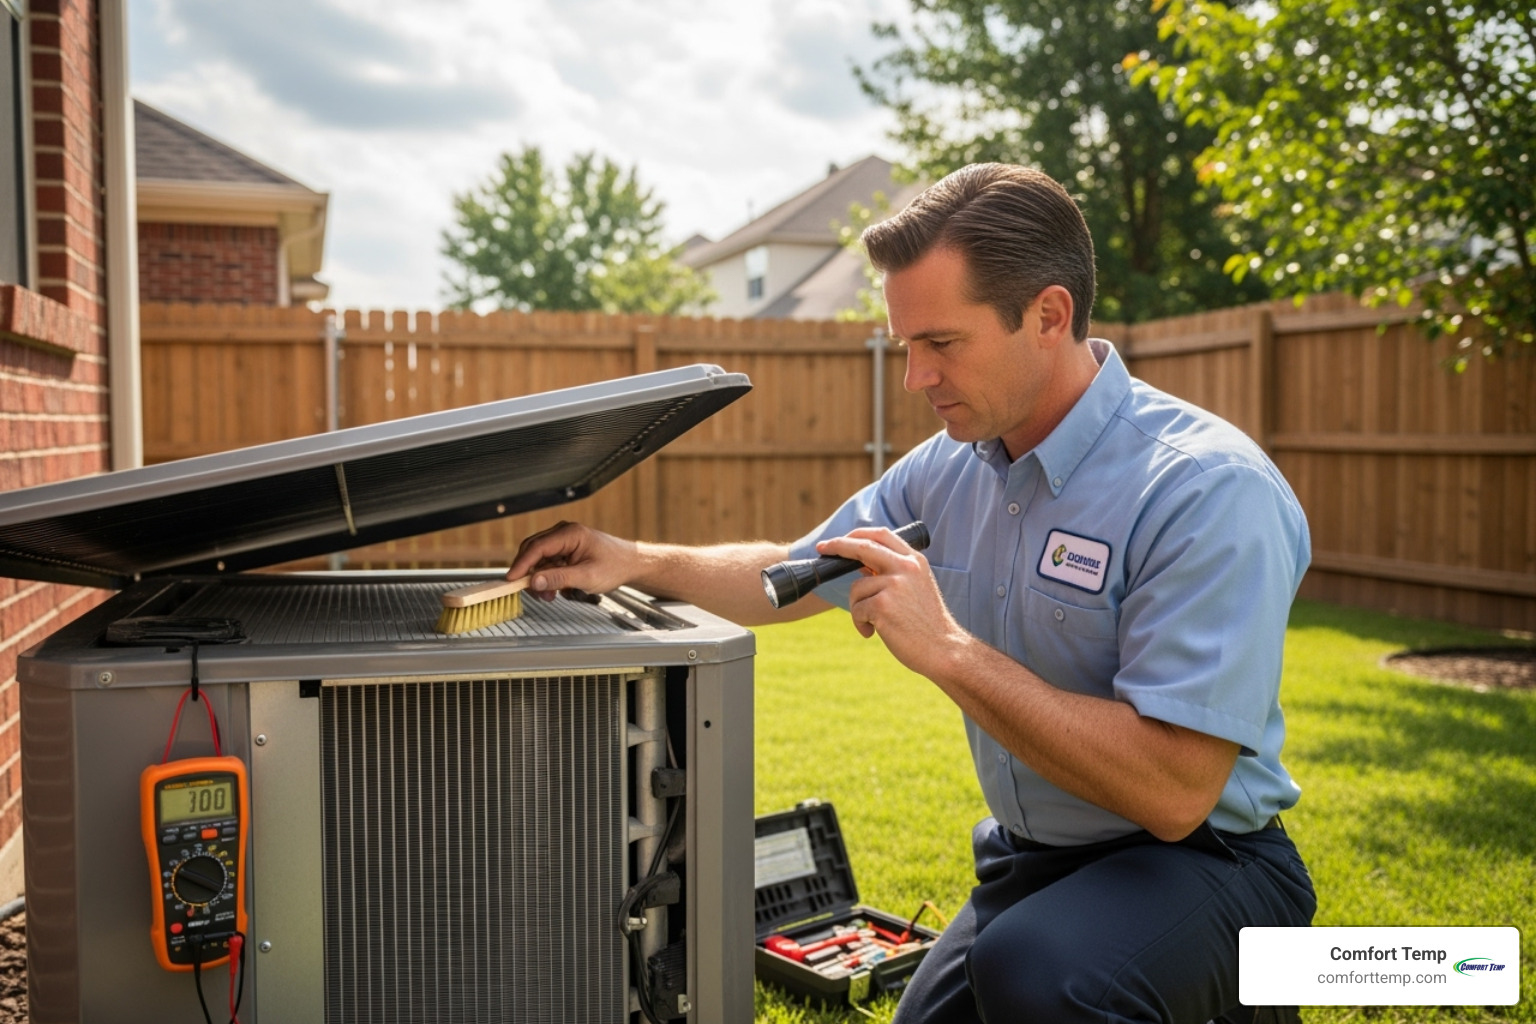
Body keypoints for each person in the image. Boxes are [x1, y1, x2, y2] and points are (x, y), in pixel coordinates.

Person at [506, 163, 1317, 1024]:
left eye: (941, 343)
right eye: (906, 347)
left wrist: (949, 652)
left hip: (1205, 863)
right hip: (1033, 861)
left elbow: (1174, 788)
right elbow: (795, 570)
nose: (914, 378)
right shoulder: (953, 466)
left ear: (1049, 315)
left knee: (1042, 977)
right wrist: (632, 558)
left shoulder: (1203, 490)